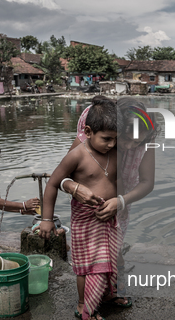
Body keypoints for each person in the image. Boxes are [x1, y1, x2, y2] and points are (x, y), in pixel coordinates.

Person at [62, 96, 156, 300]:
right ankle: (88, 299)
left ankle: (113, 289)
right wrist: (76, 187)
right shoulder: (100, 130)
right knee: (92, 253)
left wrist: (121, 201)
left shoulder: (146, 139)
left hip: (121, 200)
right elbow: (62, 176)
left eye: (137, 142)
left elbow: (147, 182)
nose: (131, 146)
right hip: (90, 206)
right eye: (126, 140)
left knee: (115, 245)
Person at [39, 98, 119, 320]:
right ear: (88, 131)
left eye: (115, 139)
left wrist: (118, 202)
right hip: (85, 219)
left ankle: (108, 294)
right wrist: (47, 220)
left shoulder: (115, 152)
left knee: (111, 259)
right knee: (86, 266)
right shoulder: (78, 154)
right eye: (106, 139)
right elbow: (53, 183)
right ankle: (84, 304)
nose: (111, 144)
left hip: (109, 216)